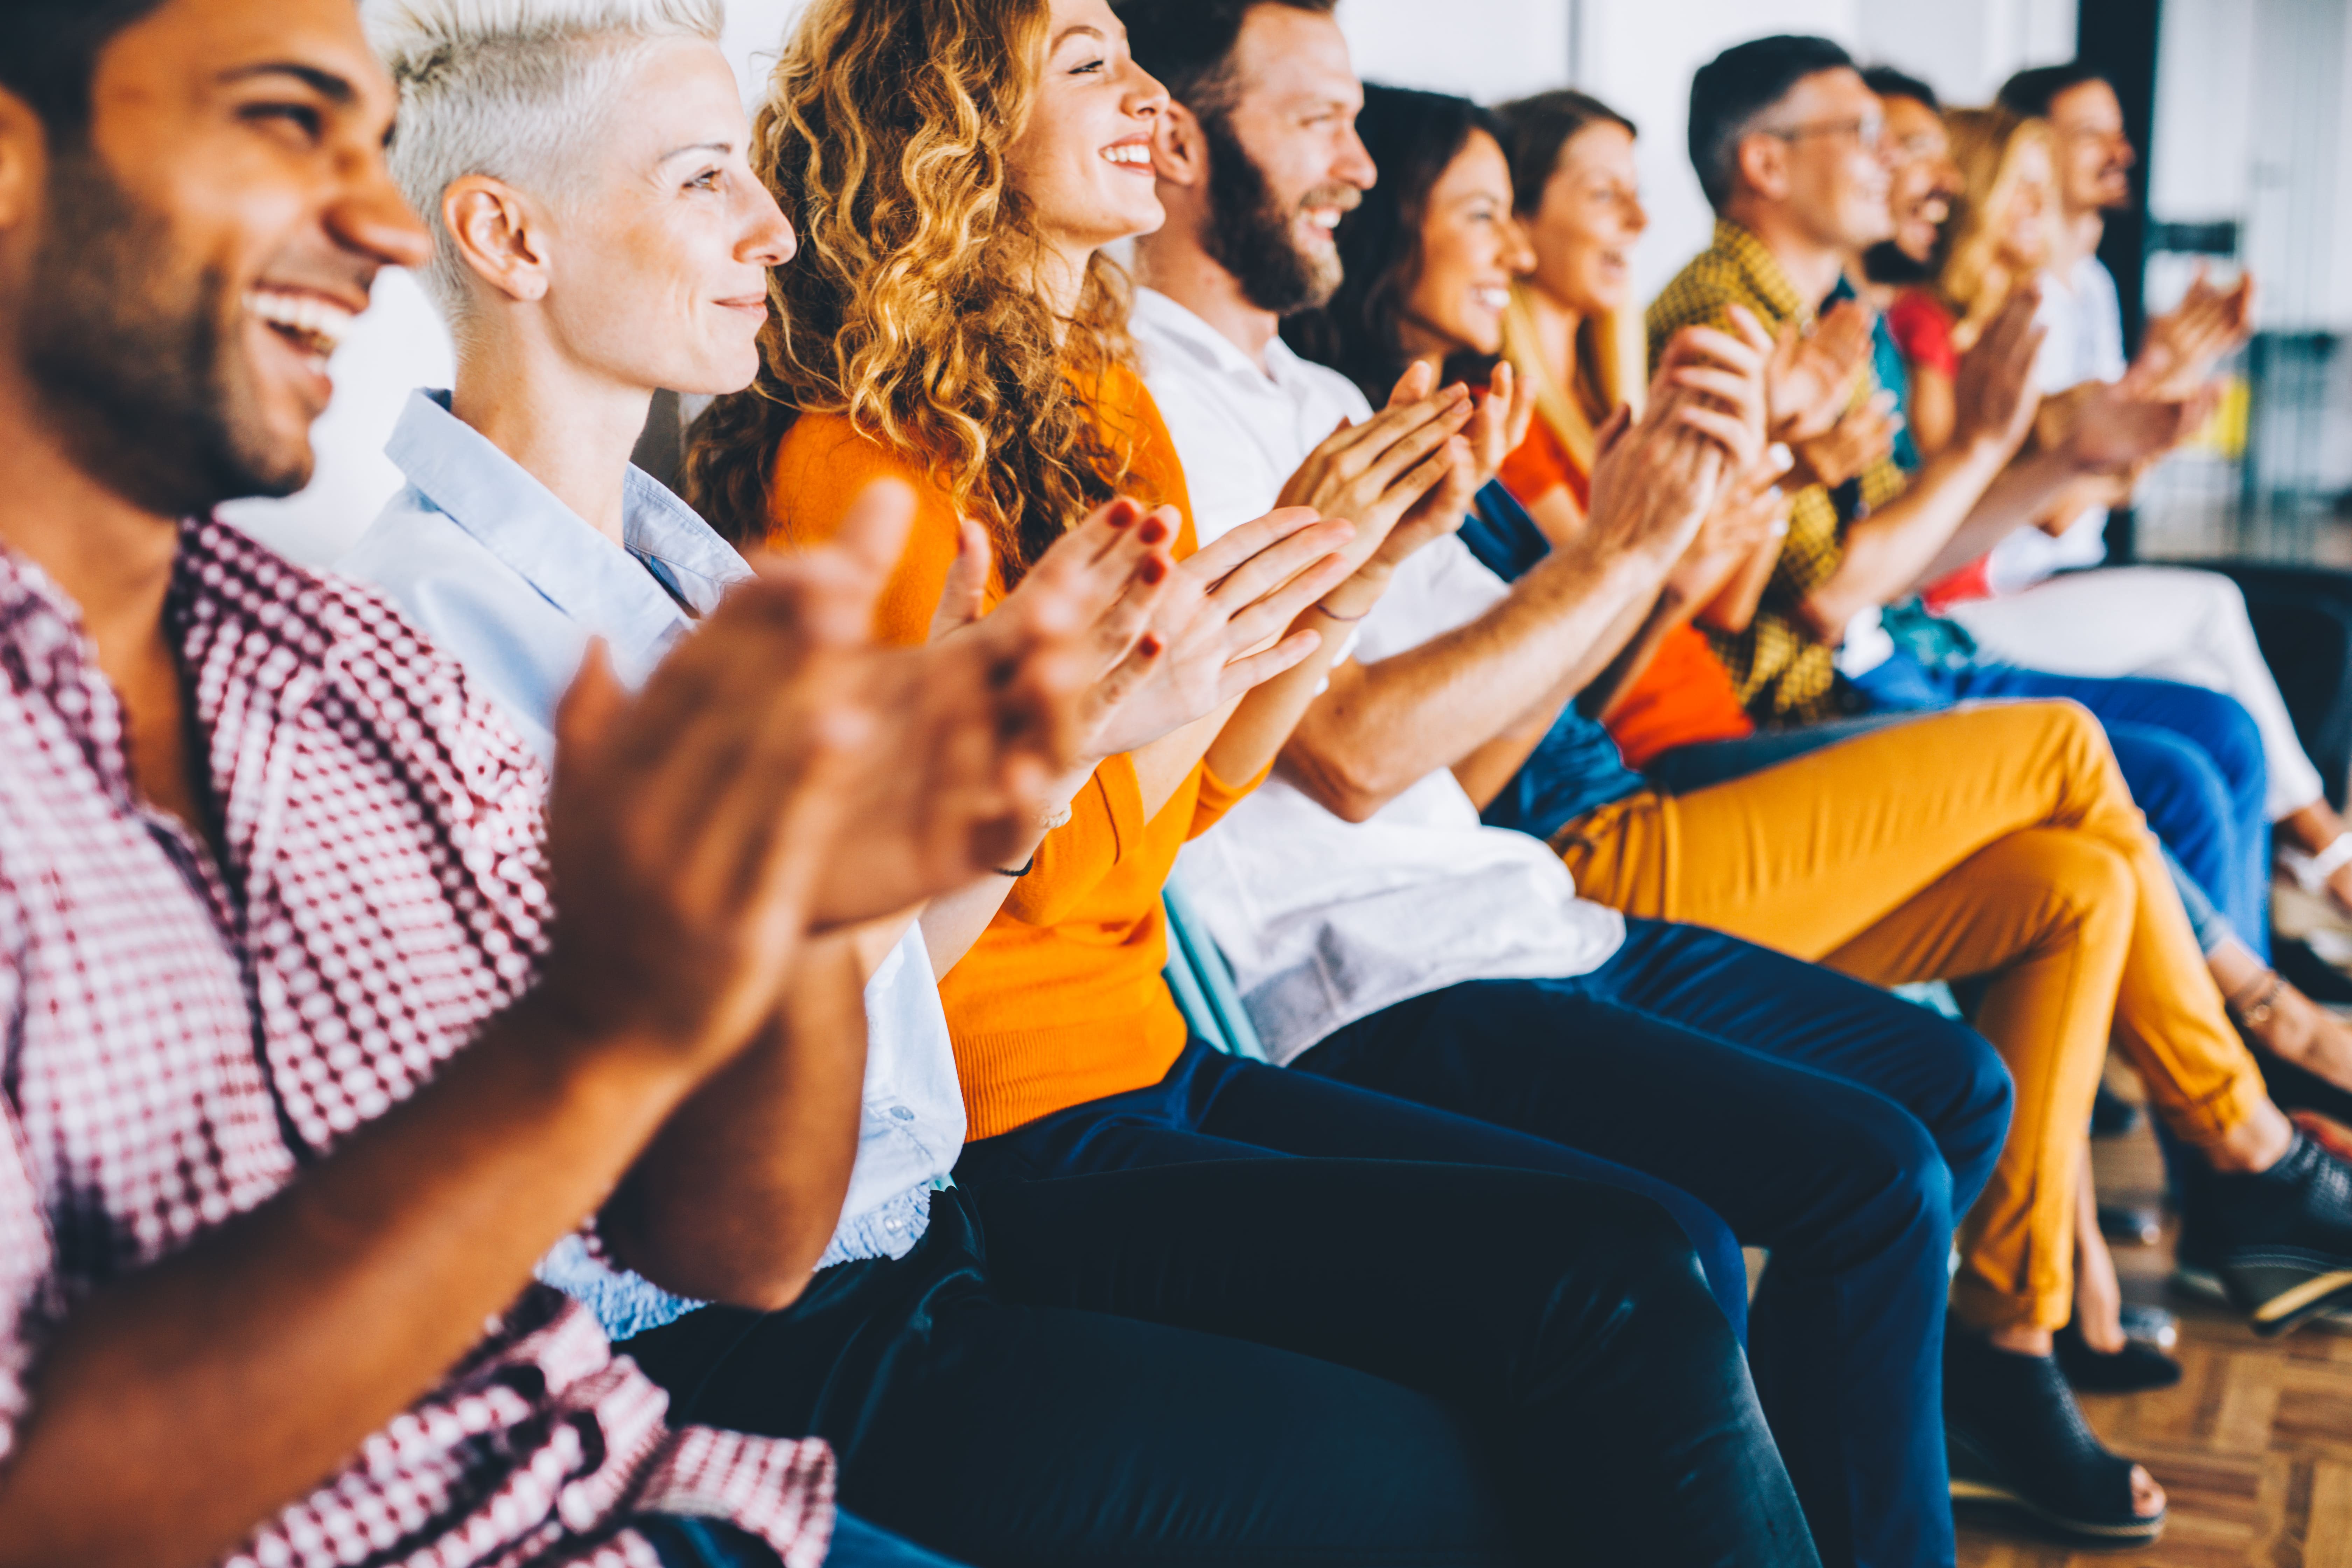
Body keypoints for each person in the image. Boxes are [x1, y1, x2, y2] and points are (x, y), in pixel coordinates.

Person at [338, 7, 1812, 1565]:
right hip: (767, 1317)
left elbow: (888, 981)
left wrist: (1170, 687)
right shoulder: (428, 635)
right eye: (707, 180)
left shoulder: (679, 578)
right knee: (1523, 1412)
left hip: (919, 1225)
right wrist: (1084, 740)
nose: (767, 221)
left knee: (1617, 1299)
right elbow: (676, 1192)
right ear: (507, 234)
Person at [0, 1, 1142, 1563]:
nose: (369, 222)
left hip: (650, 1441)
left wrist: (849, 896)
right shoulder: (381, 641)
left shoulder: (309, 652)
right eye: (282, 126)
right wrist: (664, 1000)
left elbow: (726, 1233)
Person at [1118, 13, 2014, 1563]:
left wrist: (1669, 522)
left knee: (1950, 1094)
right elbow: (1343, 757)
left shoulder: (1328, 409)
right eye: (1320, 121)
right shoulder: (1136, 404)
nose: (1356, 164)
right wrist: (1626, 542)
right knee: (1863, 1177)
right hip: (1363, 976)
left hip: (1514, 903)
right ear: (1182, 143)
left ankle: (1780, 1498)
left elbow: (1475, 751)